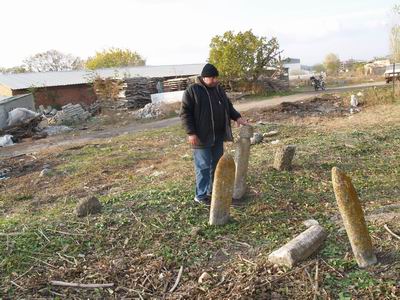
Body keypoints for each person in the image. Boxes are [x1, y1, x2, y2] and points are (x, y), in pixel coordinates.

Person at [180, 63, 248, 205]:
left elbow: (228, 107)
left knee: (216, 164)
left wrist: (237, 117)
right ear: (204, 78)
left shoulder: (218, 90)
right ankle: (200, 195)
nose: (215, 80)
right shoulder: (193, 91)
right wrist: (191, 132)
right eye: (212, 78)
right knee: (203, 166)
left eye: (216, 77)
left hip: (217, 135)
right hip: (201, 136)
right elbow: (185, 113)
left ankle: (212, 190)